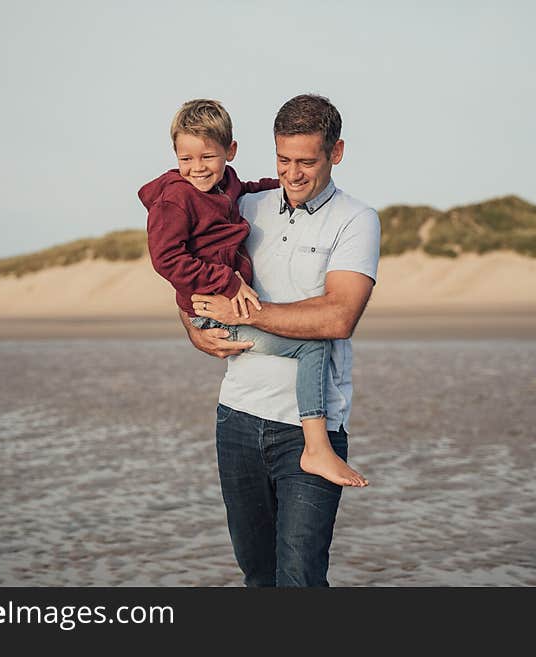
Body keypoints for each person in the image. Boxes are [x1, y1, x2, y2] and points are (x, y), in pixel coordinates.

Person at [182, 94, 380, 587]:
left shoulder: (356, 220)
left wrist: (244, 313)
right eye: (283, 160)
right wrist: (192, 325)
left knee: (300, 580)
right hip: (237, 419)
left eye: (307, 162)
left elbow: (339, 316)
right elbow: (188, 264)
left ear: (336, 153)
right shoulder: (245, 207)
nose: (293, 174)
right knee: (258, 577)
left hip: (311, 429)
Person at [138, 98, 367, 488]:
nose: (196, 169)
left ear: (231, 152)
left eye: (207, 157)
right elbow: (168, 261)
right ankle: (317, 447)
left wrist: (271, 187)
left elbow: (339, 318)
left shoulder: (235, 191)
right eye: (186, 159)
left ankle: (315, 445)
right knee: (312, 345)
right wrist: (199, 321)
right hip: (236, 403)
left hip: (270, 386)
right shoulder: (176, 199)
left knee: (319, 340)